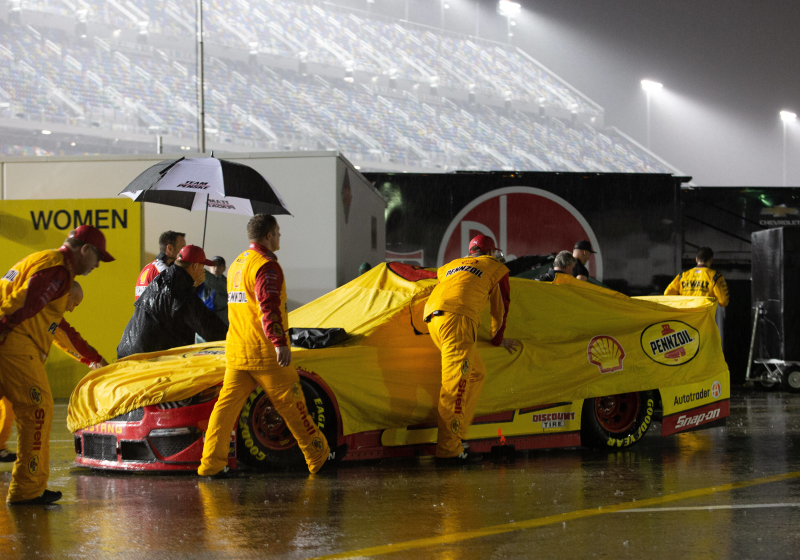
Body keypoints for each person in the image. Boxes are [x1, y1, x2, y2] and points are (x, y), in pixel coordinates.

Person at [199, 214, 344, 477]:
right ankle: (319, 456)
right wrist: (280, 343)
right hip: (265, 354)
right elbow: (269, 308)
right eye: (278, 232)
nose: (280, 236)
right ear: (268, 236)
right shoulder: (266, 266)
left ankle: (211, 463)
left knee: (224, 410)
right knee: (294, 406)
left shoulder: (238, 264)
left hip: (237, 351)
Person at [0, 225, 113, 505]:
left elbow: (58, 327)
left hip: (10, 341)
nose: (98, 264)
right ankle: (27, 490)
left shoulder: (44, 261)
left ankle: (31, 487)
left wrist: (94, 359)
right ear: (84, 249)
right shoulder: (58, 271)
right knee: (37, 409)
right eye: (98, 257)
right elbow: (20, 304)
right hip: (13, 345)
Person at [423, 234, 521, 464]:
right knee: (455, 386)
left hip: (434, 320)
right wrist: (498, 339)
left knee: (475, 373)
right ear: (490, 253)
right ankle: (449, 450)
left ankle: (457, 436)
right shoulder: (495, 268)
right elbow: (501, 309)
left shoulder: (451, 265)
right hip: (458, 321)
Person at [0, 282, 107, 465]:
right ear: (66, 295)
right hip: (8, 357)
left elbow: (62, 339)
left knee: (8, 402)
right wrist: (96, 360)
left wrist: (91, 360)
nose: (72, 309)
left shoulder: (39, 303)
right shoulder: (47, 308)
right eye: (74, 303)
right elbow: (69, 337)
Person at [117, 245, 227, 359]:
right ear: (194, 266)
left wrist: (192, 287)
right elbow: (207, 325)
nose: (203, 271)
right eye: (202, 266)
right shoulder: (181, 287)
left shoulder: (165, 277)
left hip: (128, 352)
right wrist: (232, 338)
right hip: (146, 358)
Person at [665, 247, 730, 343]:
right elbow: (723, 301)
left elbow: (667, 294)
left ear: (696, 259)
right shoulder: (715, 276)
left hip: (686, 322)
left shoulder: (683, 276)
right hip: (705, 324)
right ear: (710, 260)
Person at [134, 230, 186, 301]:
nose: (185, 252)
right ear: (170, 248)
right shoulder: (164, 271)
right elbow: (175, 300)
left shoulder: (148, 267)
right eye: (182, 248)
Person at [203, 256, 228, 326]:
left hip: (221, 320)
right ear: (209, 267)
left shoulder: (226, 283)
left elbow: (215, 283)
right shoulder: (201, 282)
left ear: (224, 268)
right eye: (214, 265)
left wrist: (200, 269)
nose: (216, 268)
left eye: (220, 266)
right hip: (204, 319)